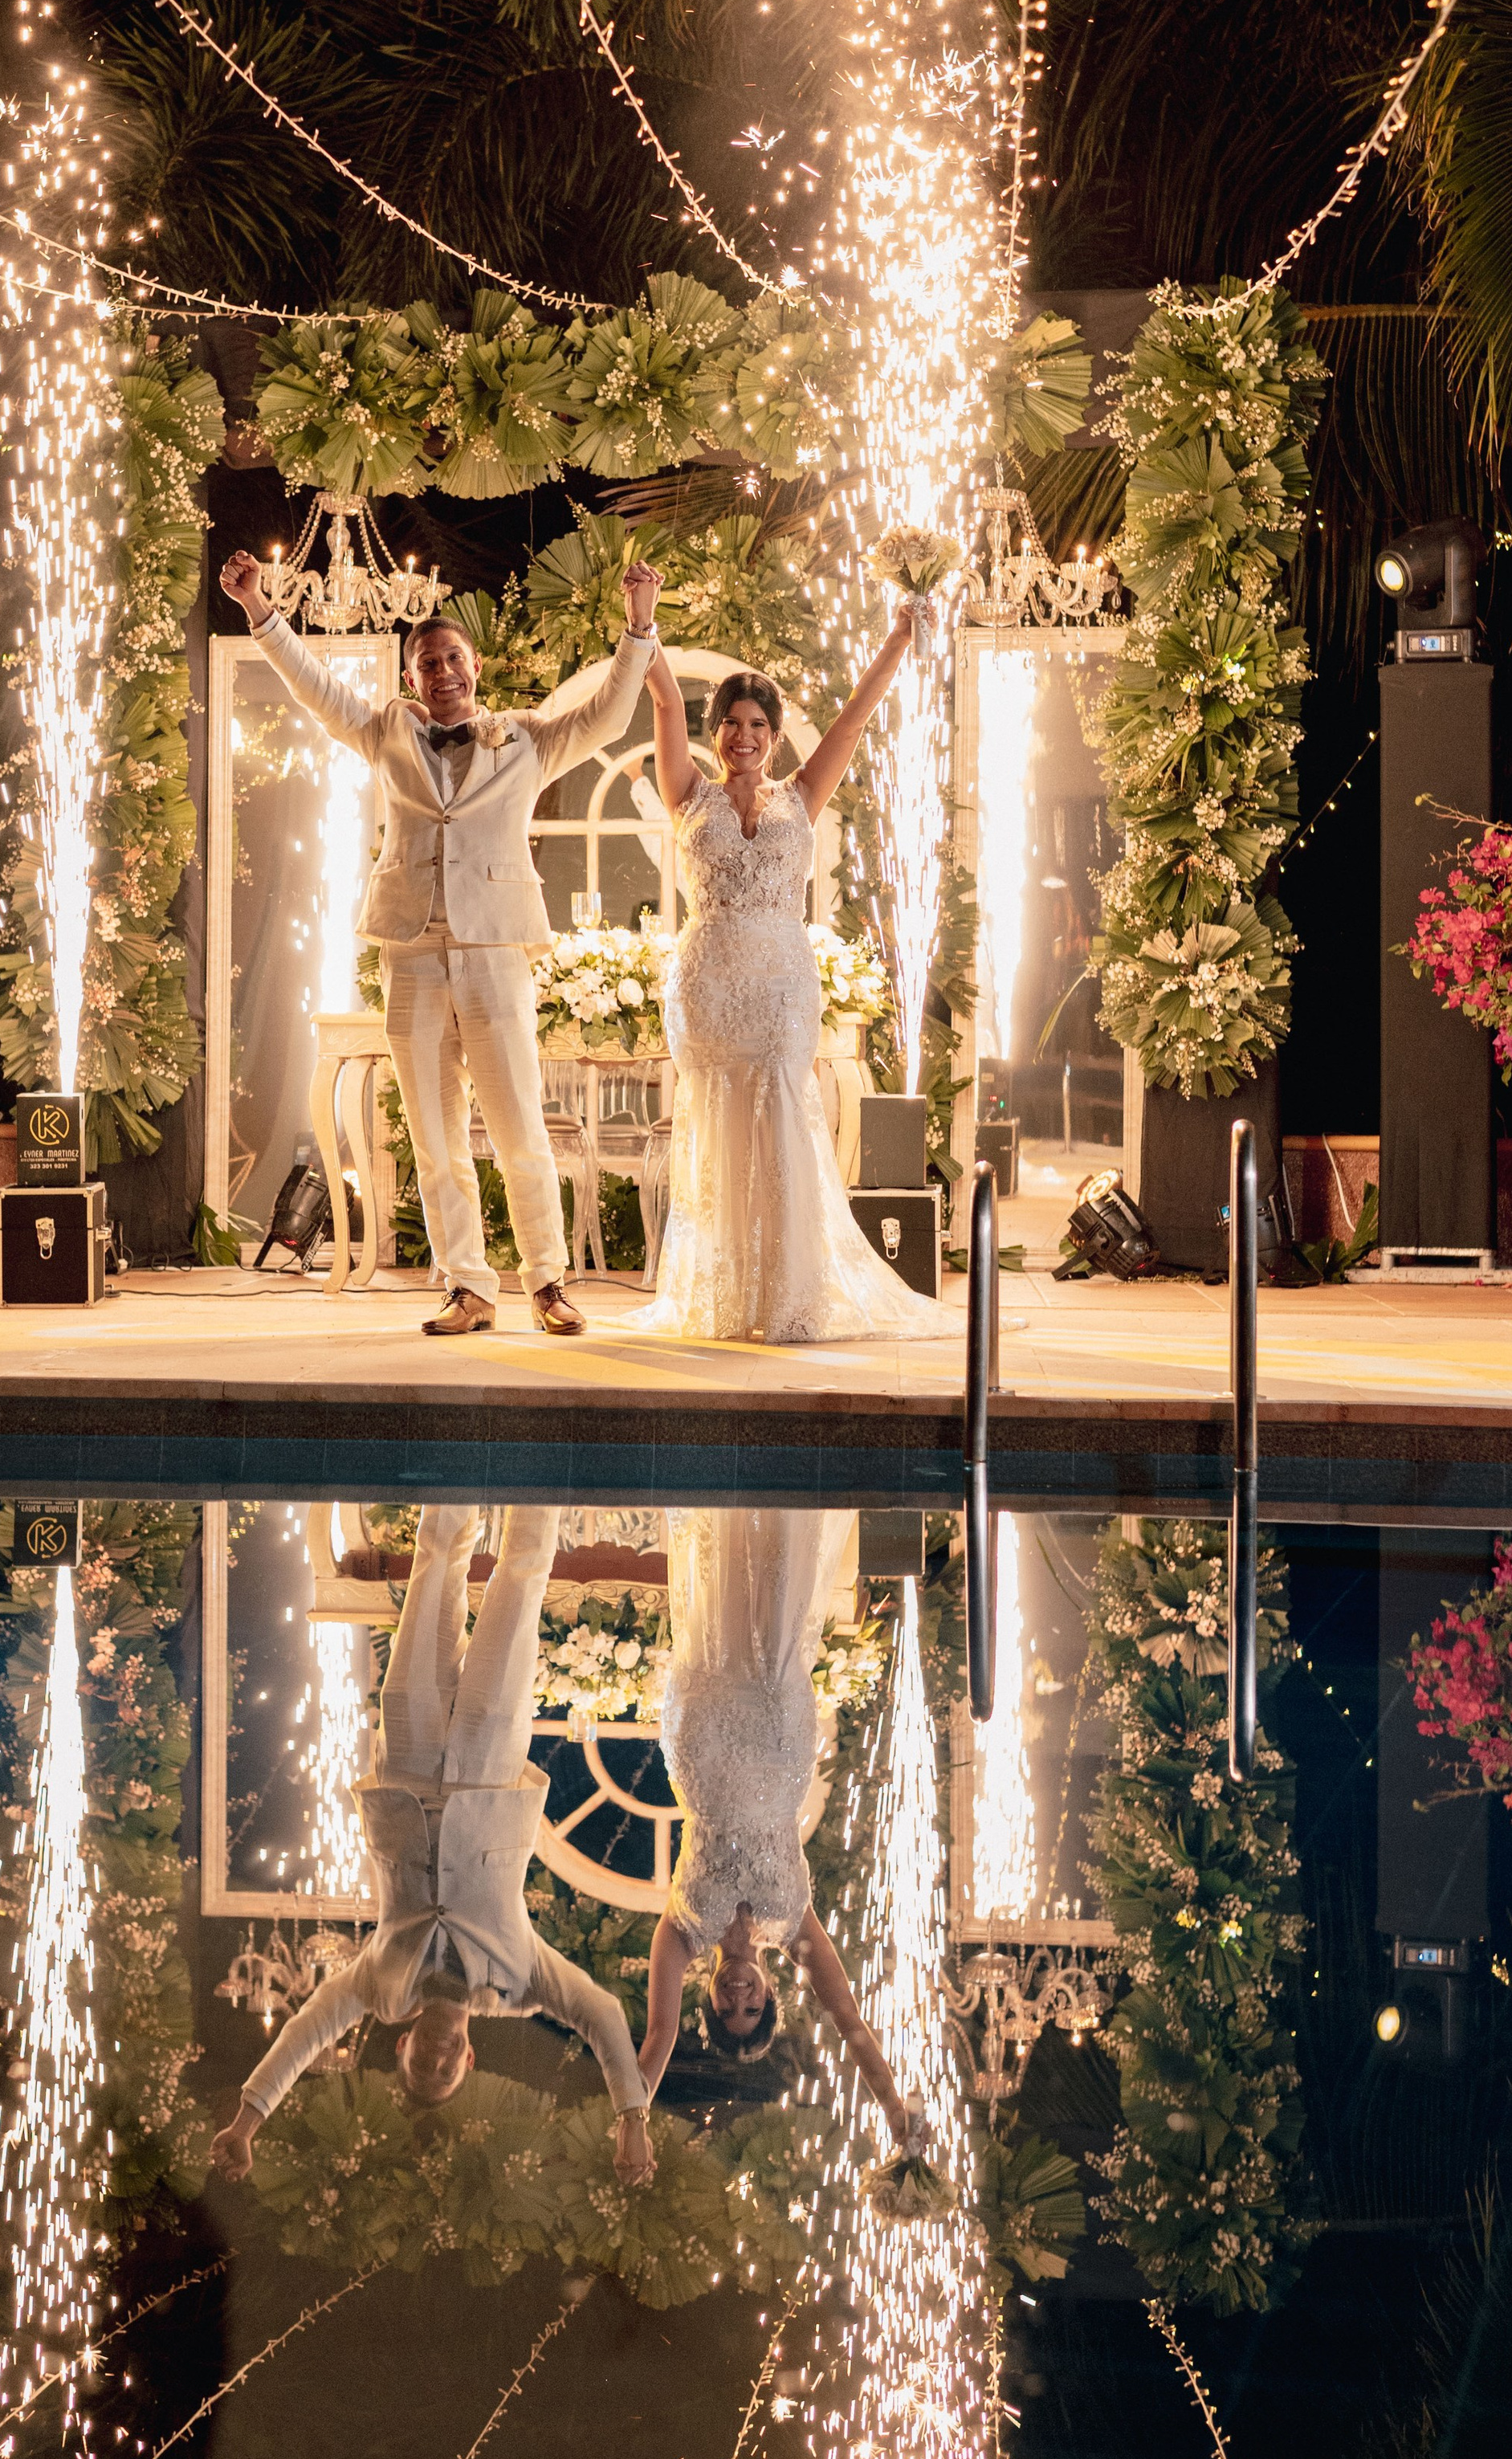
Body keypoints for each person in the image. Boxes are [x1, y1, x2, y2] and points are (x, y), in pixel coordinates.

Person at [219, 549, 662, 1336]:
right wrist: (261, 608)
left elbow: (606, 716)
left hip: (495, 949)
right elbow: (315, 691)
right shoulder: (387, 731)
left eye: (454, 657)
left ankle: (548, 1283)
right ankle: (468, 1287)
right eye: (429, 662)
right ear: (411, 677)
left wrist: (637, 628)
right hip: (410, 952)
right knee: (433, 1131)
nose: (444, 671)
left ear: (476, 666)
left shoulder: (524, 740)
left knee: (520, 1123)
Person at [211, 1502, 657, 2185]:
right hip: (488, 1770)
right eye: (449, 2070)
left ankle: (460, 1433)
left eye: (424, 2064)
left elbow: (305, 2032)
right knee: (523, 1576)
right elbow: (598, 2011)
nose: (439, 2059)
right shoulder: (520, 1983)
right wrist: (632, 2115)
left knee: (436, 1561)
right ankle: (536, 1446)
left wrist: (248, 2120)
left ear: (405, 2044)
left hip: (409, 1769)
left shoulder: (379, 1985)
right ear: (470, 2059)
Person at [630, 605, 962, 1342]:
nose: (742, 737)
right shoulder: (687, 792)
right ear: (715, 732)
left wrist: (899, 640)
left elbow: (856, 713)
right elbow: (659, 695)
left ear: (774, 739)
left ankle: (787, 1297)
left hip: (781, 985)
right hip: (710, 986)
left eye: (756, 726)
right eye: (730, 723)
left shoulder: (802, 795)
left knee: (782, 1123)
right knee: (717, 1128)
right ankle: (723, 1296)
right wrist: (642, 624)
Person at [636, 1507, 923, 2155]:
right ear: (770, 1997)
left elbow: (655, 2042)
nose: (739, 1996)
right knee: (781, 1586)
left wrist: (631, 2126)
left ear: (708, 2000)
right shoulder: (794, 1930)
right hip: (777, 1738)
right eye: (753, 2007)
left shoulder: (681, 1935)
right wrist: (891, 2106)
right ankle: (793, 1469)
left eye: (727, 2008)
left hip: (705, 1738)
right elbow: (848, 2019)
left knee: (719, 1591)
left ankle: (723, 1466)